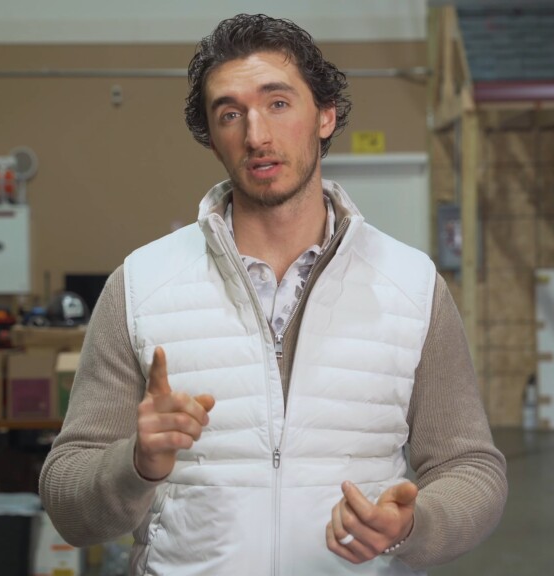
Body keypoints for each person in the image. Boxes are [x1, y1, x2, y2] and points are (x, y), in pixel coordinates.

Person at [40, 13, 507, 575]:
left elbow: (472, 469)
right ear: (213, 139)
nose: (256, 134)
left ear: (326, 116)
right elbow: (68, 496)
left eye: (278, 103)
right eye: (230, 114)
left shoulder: (412, 286)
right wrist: (136, 464)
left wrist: (412, 524)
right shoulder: (141, 286)